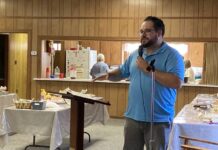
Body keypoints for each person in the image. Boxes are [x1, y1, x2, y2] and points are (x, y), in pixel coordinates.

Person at [94, 16, 184, 150]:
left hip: (158, 120)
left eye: (147, 31)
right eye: (141, 31)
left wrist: (148, 69)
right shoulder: (135, 54)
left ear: (159, 33)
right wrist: (109, 75)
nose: (143, 35)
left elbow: (177, 82)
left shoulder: (172, 55)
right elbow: (123, 71)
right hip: (133, 117)